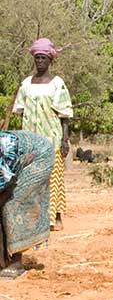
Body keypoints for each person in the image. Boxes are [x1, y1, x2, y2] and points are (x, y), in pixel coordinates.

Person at [13, 38, 73, 230]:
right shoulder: (26, 84)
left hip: (52, 139)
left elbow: (65, 115)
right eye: (37, 58)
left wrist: (65, 139)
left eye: (43, 58)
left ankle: (55, 217)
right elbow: (20, 112)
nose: (39, 61)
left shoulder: (57, 84)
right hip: (30, 141)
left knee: (53, 178)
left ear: (50, 60)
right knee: (30, 178)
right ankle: (35, 219)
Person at [0, 131, 55, 279]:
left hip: (40, 156)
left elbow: (5, 185)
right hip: (19, 159)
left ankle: (16, 263)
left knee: (12, 203)